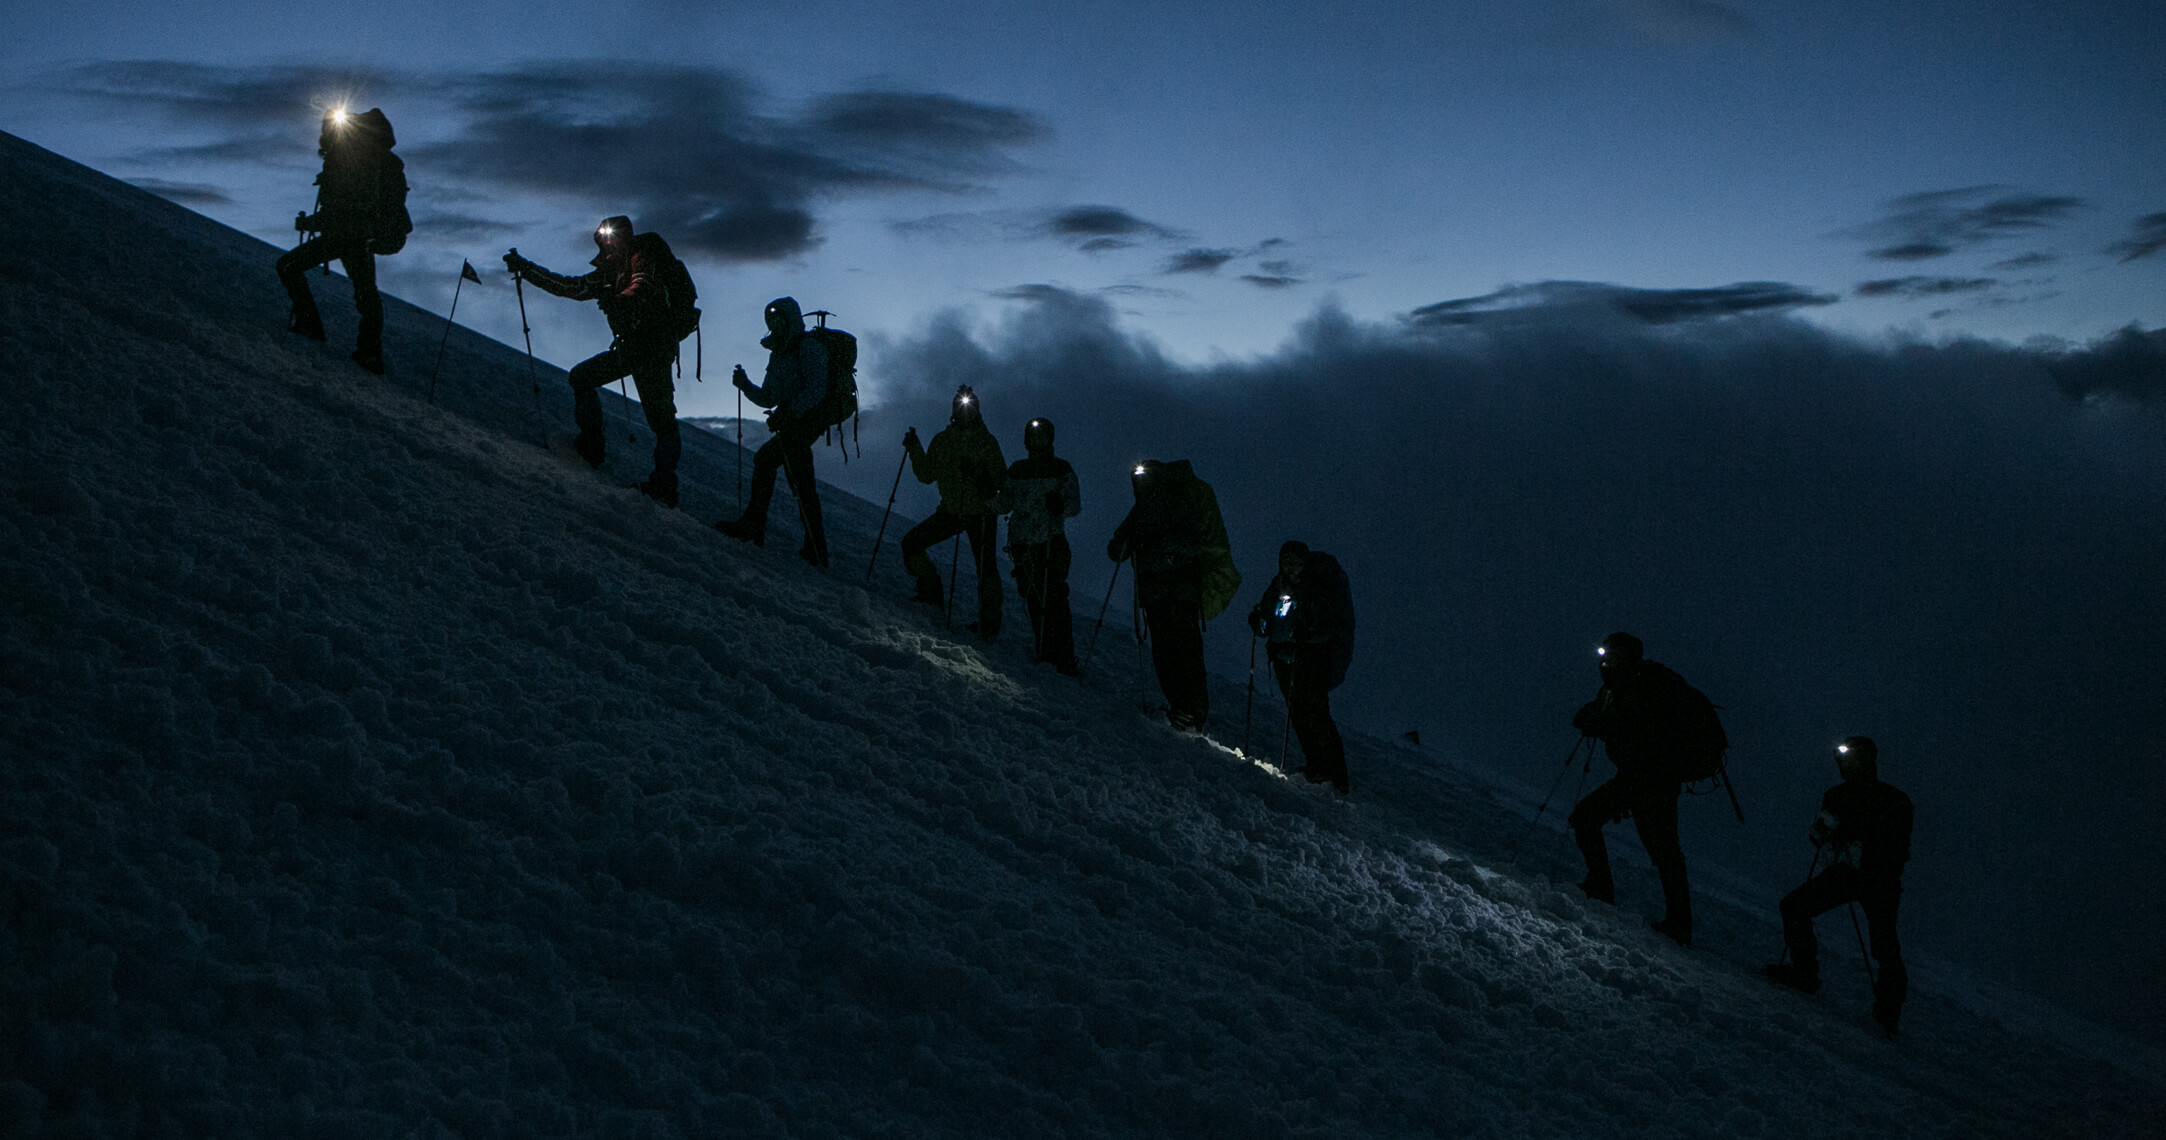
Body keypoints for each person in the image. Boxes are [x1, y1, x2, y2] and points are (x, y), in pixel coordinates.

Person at [503, 217, 691, 506]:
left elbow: (642, 285)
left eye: (613, 238)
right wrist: (526, 269)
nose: (608, 243)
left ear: (625, 237)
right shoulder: (607, 273)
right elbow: (570, 287)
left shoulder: (642, 257)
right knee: (582, 377)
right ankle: (592, 449)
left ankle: (663, 485)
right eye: (604, 239)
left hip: (653, 349)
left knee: (662, 421)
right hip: (634, 349)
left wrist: (619, 299)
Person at [1764, 736, 1914, 1036]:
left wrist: (1840, 843)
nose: (1843, 764)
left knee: (1882, 945)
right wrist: (1822, 835)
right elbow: (1823, 839)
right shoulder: (1890, 799)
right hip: (1865, 877)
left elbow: (1896, 849)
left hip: (1871, 878)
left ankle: (1883, 1009)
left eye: (1848, 758)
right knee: (1882, 945)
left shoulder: (1862, 797)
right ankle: (1886, 1011)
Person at [1567, 631, 1703, 946]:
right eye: (1604, 657)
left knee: (1663, 849)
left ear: (1627, 659)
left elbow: (1642, 738)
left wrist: (1602, 725)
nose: (1605, 663)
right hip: (1639, 779)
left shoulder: (1643, 690)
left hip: (1653, 782)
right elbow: (1588, 719)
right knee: (1592, 821)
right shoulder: (1617, 689)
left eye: (1612, 657)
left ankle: (1677, 923)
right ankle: (1671, 919)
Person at [1108, 459, 1239, 732]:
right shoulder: (1144, 509)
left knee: (1180, 649)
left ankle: (1190, 711)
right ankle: (1184, 708)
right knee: (1169, 650)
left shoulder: (1174, 504)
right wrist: (1126, 545)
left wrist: (1154, 549)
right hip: (1161, 592)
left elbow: (1191, 544)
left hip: (1175, 591)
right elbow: (1117, 547)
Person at [277, 106, 409, 374]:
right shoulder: (361, 158)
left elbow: (344, 208)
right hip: (358, 236)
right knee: (366, 294)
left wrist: (311, 223)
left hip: (346, 235)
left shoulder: (349, 159)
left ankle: (311, 326)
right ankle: (369, 352)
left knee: (289, 267)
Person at [714, 298, 832, 563]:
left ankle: (758, 527)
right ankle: (814, 546)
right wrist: (745, 385)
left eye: (779, 320)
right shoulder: (779, 353)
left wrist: (790, 412)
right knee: (797, 478)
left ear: (790, 320)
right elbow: (769, 397)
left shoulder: (809, 347)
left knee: (781, 468)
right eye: (771, 321)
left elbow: (817, 389)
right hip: (793, 423)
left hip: (806, 422)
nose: (774, 325)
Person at [898, 387, 1008, 636]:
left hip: (979, 512)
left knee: (986, 569)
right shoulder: (944, 440)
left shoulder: (986, 443)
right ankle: (931, 595)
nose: (964, 410)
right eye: (961, 406)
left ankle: (988, 623)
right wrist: (915, 448)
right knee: (912, 544)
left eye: (968, 407)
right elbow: (927, 474)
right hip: (952, 510)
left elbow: (1002, 482)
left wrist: (979, 478)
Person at [1248, 541, 1355, 793]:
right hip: (1285, 661)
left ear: (1304, 563)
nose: (1290, 567)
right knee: (1298, 714)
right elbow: (1267, 619)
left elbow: (1325, 628)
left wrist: (1305, 634)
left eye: (1295, 562)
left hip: (1311, 662)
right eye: (1286, 562)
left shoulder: (1316, 589)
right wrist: (1259, 623)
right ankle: (1317, 766)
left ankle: (1336, 776)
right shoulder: (1278, 586)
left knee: (1316, 715)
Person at [990, 418, 1082, 671]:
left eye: (1042, 436)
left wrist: (1059, 507)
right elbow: (1004, 504)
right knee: (1033, 596)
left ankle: (1062, 655)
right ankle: (1046, 649)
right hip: (1023, 544)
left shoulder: (1061, 469)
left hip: (1050, 540)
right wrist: (986, 493)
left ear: (1049, 439)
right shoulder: (1018, 470)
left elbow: (1074, 505)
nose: (1037, 441)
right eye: (1033, 436)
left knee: (1053, 597)